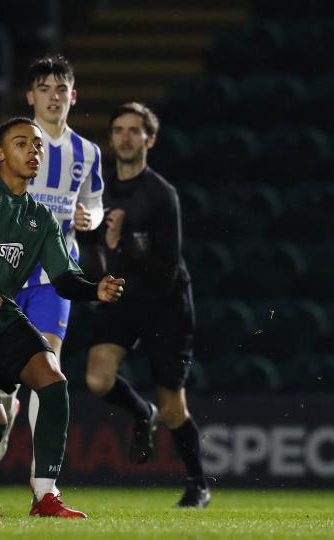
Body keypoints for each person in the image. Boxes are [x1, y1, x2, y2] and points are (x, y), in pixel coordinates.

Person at [0, 117, 125, 518]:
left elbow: (64, 277)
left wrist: (94, 289)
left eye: (37, 145)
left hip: (3, 318)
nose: (33, 150)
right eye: (21, 143)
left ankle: (45, 495)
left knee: (53, 380)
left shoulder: (41, 218)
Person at [0, 54, 104, 481]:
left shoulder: (87, 152)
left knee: (48, 366)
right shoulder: (11, 142)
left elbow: (96, 202)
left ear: (73, 95)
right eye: (44, 89)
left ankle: (41, 479)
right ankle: (4, 411)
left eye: (61, 89)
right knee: (0, 370)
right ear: (30, 96)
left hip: (53, 275)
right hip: (5, 271)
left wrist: (91, 218)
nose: (53, 97)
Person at [83, 102, 210, 508]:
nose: (124, 137)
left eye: (134, 131)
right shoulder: (99, 189)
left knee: (174, 406)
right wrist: (85, 232)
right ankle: (142, 412)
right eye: (118, 129)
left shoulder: (161, 194)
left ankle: (198, 484)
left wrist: (123, 248)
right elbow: (93, 246)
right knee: (97, 379)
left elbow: (169, 270)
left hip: (165, 304)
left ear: (149, 139)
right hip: (124, 298)